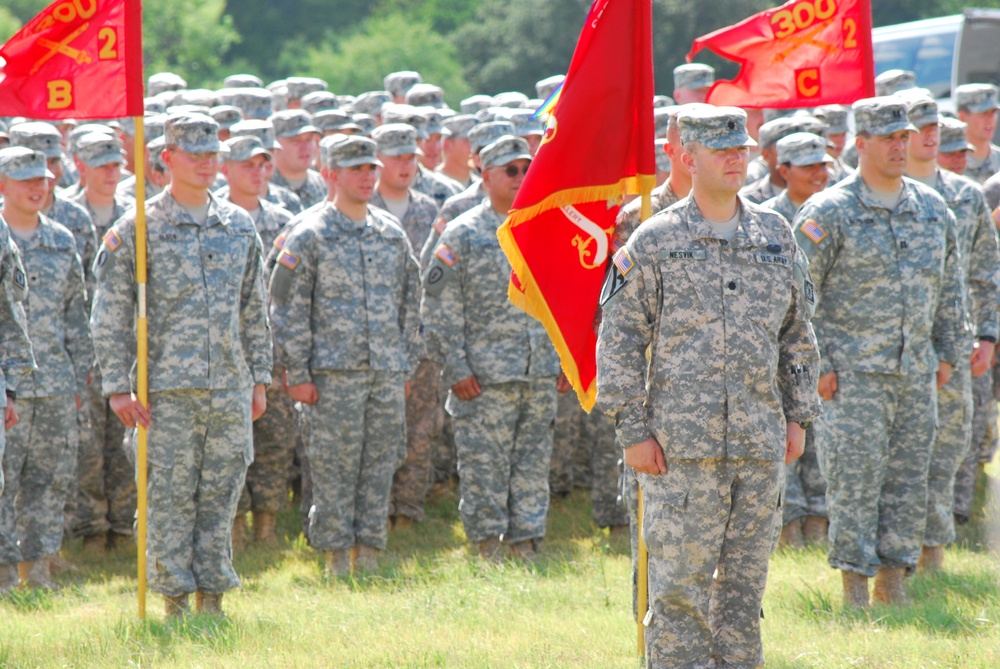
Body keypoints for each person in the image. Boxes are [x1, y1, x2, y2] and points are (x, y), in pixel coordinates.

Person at [597, 106, 820, 668]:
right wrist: (633, 430)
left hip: (757, 444)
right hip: (679, 450)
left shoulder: (774, 234)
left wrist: (797, 417)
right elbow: (619, 340)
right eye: (719, 149)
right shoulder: (654, 240)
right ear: (686, 158)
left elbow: (796, 334)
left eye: (739, 148)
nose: (733, 157)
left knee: (745, 598)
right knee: (679, 595)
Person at [90, 113, 272, 617]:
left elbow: (254, 308)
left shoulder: (238, 225)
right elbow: (109, 312)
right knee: (169, 498)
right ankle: (173, 601)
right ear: (166, 159)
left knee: (221, 494)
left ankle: (211, 599)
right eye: (195, 154)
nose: (207, 163)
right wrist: (117, 386)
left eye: (213, 153)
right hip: (163, 393)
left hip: (229, 387)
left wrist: (260, 378)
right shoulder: (138, 229)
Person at [792, 97, 964, 608]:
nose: (898, 146)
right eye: (887, 138)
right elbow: (798, 297)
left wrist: (949, 352)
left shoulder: (932, 209)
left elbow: (950, 289)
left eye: (903, 137)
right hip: (852, 378)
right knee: (853, 482)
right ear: (858, 143)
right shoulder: (829, 211)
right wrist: (817, 367)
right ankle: (854, 589)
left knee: (909, 480)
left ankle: (894, 580)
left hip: (916, 372)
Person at [268, 135, 421, 577]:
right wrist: (296, 370)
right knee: (333, 469)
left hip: (385, 373)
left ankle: (369, 553)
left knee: (380, 463)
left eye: (371, 168)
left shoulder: (391, 234)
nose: (367, 177)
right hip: (330, 377)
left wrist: (405, 364)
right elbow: (285, 307)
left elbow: (412, 304)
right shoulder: (308, 235)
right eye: (356, 169)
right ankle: (335, 557)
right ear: (330, 174)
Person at [422, 136, 561, 561]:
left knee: (533, 467)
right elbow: (438, 308)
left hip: (538, 372)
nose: (521, 177)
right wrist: (456, 368)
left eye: (526, 168)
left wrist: (564, 361)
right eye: (510, 170)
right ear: (485, 176)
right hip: (483, 379)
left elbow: (566, 301)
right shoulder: (462, 234)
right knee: (484, 469)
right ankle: (487, 549)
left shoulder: (548, 227)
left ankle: (527, 543)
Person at [901, 93, 1000, 571]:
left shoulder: (965, 195)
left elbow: (985, 271)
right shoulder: (862, 195)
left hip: (953, 345)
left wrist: (986, 335)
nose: (930, 132)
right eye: (918, 126)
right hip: (888, 349)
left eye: (933, 124)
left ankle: (932, 550)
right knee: (890, 457)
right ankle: (889, 554)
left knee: (948, 448)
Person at [0, 147, 90, 592]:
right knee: (2, 483)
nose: (39, 187)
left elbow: (76, 314)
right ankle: (2, 575)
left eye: (44, 179)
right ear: (2, 184)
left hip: (54, 382)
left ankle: (37, 571)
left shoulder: (62, 240)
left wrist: (78, 376)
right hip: (6, 385)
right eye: (25, 180)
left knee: (48, 481)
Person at [219, 135, 298, 547]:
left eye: (264, 164)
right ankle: (232, 526)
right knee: (229, 444)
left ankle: (266, 526)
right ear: (226, 168)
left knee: (274, 440)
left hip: (276, 348)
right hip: (227, 349)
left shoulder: (287, 220)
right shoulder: (215, 218)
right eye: (247, 164)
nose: (258, 172)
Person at [368, 124, 443, 529]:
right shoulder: (365, 209)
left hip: (421, 338)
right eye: (395, 158)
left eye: (410, 157)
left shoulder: (429, 210)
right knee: (377, 434)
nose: (404, 165)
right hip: (376, 339)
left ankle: (408, 512)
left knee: (419, 430)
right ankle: (375, 514)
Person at [761, 132, 833, 548]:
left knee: (817, 440)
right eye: (808, 167)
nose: (818, 174)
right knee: (781, 438)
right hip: (778, 348)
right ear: (783, 171)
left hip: (821, 347)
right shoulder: (768, 219)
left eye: (823, 165)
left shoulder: (833, 211)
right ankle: (787, 528)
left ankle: (818, 525)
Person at [268, 110, 326, 209]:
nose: (305, 147)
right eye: (295, 141)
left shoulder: (325, 186)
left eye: (309, 140)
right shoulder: (263, 187)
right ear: (275, 144)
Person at [954, 84, 1000, 184]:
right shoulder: (951, 163)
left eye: (993, 112)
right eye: (983, 113)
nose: (990, 119)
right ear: (962, 116)